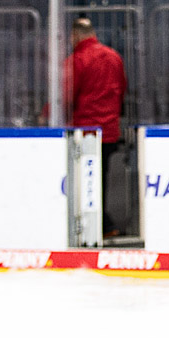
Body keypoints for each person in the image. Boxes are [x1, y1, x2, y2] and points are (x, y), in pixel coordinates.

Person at [64, 18, 127, 237]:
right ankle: (102, 224)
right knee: (100, 177)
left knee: (84, 180)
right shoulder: (114, 57)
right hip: (108, 129)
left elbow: (66, 96)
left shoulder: (77, 60)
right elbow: (122, 89)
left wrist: (47, 115)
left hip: (83, 130)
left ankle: (95, 225)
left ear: (75, 35)